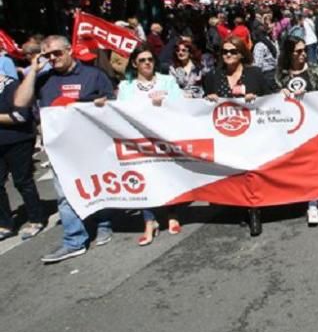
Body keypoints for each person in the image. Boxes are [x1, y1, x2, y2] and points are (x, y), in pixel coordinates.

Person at [14, 35, 115, 263]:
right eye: (47, 55)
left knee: (98, 187)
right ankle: (74, 240)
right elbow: (20, 103)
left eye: (57, 53)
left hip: (91, 145)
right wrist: (33, 70)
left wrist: (100, 105)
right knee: (64, 195)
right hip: (60, 150)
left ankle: (104, 223)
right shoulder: (43, 78)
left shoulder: (93, 75)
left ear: (69, 50)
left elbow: (112, 105)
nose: (53, 58)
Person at [203, 36, 271, 236]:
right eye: (225, 52)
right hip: (226, 132)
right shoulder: (213, 77)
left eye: (233, 51)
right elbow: (204, 106)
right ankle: (242, 205)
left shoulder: (255, 74)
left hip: (253, 131)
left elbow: (270, 98)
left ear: (241, 53)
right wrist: (209, 99)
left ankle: (254, 210)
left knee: (251, 170)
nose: (228, 55)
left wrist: (257, 98)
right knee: (235, 172)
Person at [117, 44, 184, 244]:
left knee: (167, 175)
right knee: (144, 177)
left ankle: (172, 213)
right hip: (139, 140)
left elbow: (179, 104)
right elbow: (122, 111)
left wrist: (163, 102)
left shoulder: (167, 81)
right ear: (134, 64)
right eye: (142, 60)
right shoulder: (125, 87)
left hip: (165, 136)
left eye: (150, 59)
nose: (147, 63)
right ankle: (149, 221)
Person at [275, 35, 318, 226]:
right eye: (298, 51)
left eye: (304, 50)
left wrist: (311, 96)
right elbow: (272, 98)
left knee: (313, 163)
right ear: (289, 53)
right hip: (291, 127)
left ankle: (313, 202)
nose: (303, 54)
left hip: (313, 125)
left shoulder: (316, 70)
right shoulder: (279, 74)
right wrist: (279, 94)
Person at [0, 70, 45, 241]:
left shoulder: (12, 86)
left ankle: (36, 219)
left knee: (22, 181)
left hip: (18, 141)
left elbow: (21, 116)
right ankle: (4, 223)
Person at [252, 20, 279, 85]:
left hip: (266, 76)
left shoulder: (259, 46)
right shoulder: (273, 42)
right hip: (275, 74)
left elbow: (258, 65)